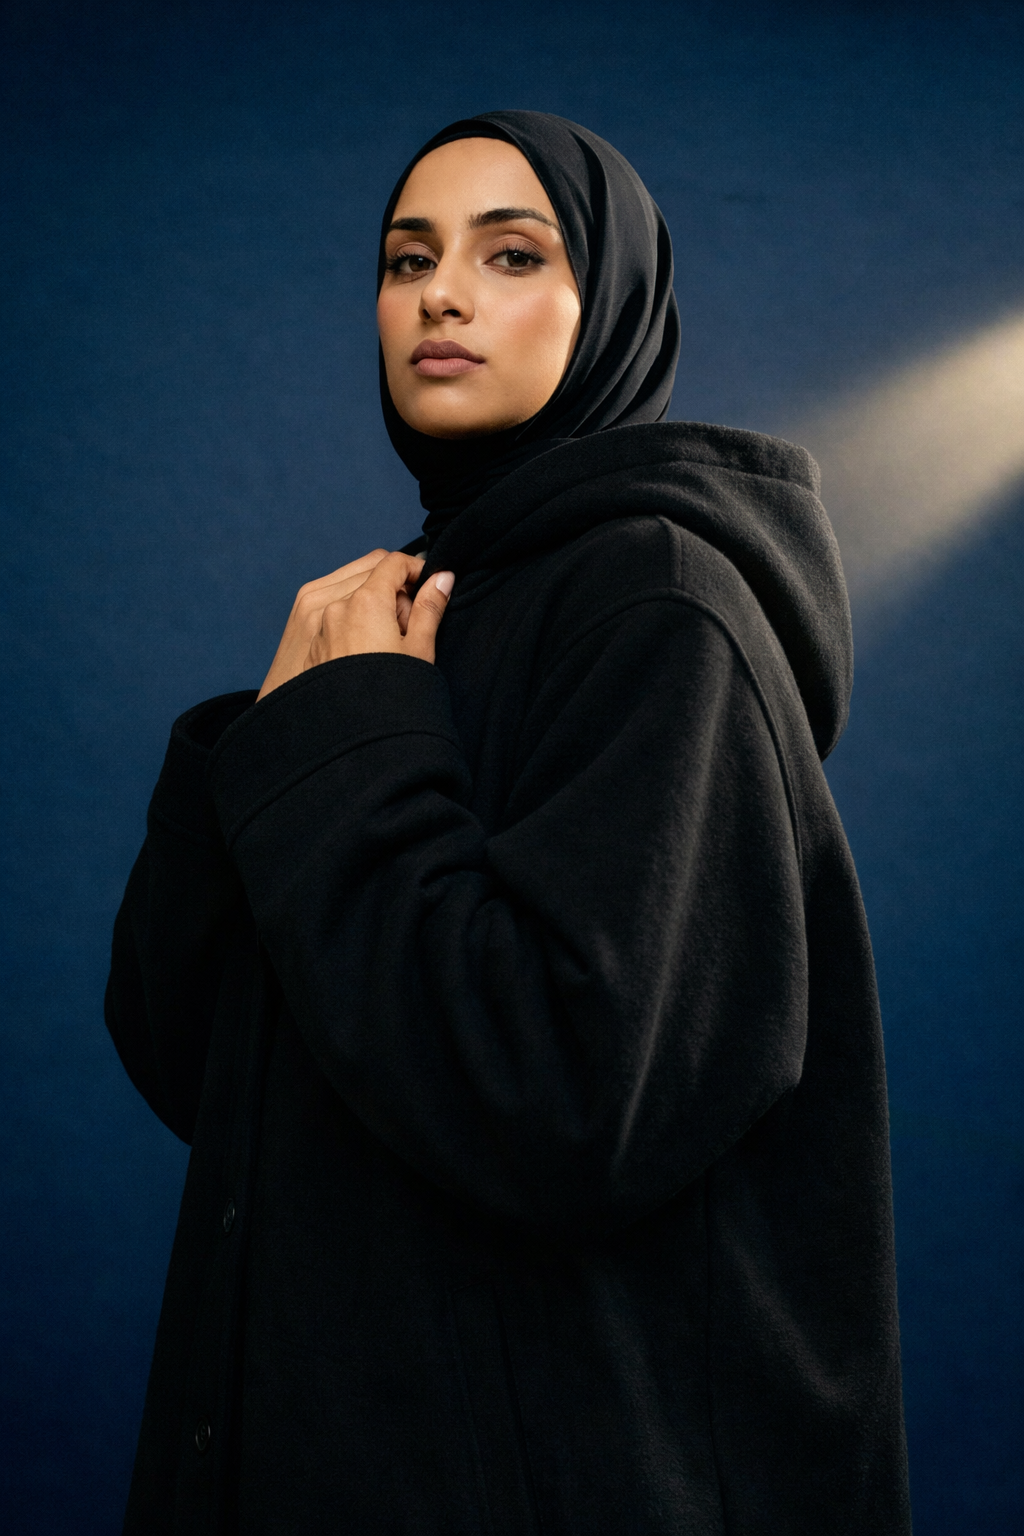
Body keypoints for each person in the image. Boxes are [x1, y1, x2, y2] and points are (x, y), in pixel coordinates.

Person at [106, 111, 912, 1535]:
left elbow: (564, 1098)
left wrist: (349, 742)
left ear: (614, 310)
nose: (442, 296)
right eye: (407, 259)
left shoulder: (658, 606)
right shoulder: (401, 610)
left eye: (513, 253)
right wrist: (280, 736)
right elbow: (218, 1076)